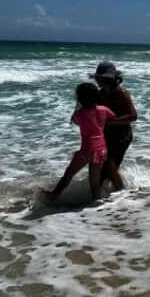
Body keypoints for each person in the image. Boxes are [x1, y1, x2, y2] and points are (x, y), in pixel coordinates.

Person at [44, 83, 114, 201]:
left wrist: (77, 107)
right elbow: (112, 117)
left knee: (69, 173)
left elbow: (75, 121)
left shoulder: (80, 113)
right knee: (94, 180)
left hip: (87, 149)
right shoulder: (104, 110)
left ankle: (54, 194)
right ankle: (96, 201)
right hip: (101, 149)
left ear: (80, 98)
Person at [92, 61, 138, 191]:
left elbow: (133, 116)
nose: (97, 80)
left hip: (122, 135)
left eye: (100, 77)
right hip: (107, 134)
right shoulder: (100, 93)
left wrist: (109, 122)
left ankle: (121, 193)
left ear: (108, 78)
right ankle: (109, 196)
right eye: (97, 77)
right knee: (107, 168)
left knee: (109, 166)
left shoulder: (121, 93)